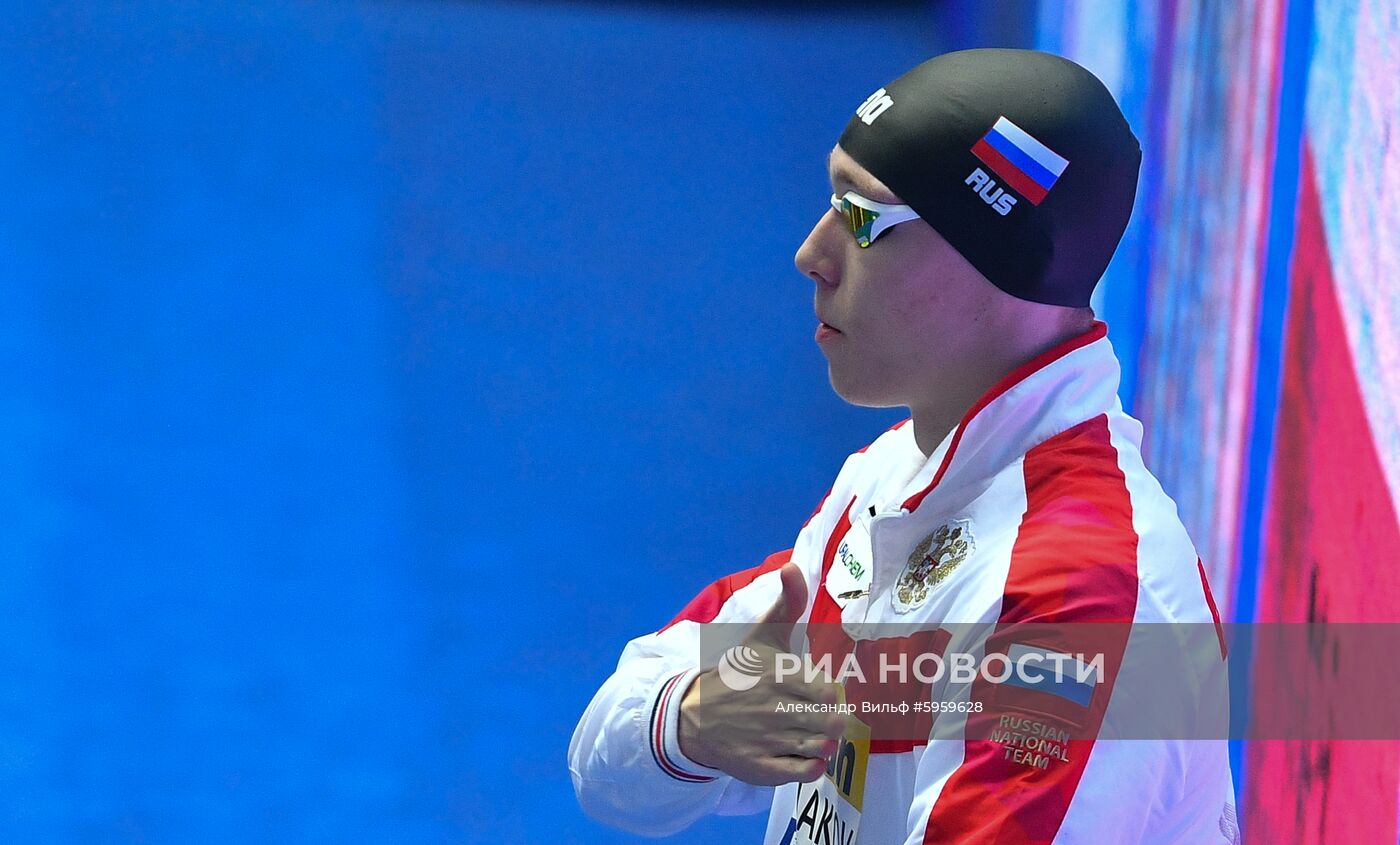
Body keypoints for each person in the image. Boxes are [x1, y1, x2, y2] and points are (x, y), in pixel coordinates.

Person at [568, 47, 1238, 844]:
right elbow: (607, 760)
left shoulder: (1079, 597)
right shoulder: (897, 473)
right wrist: (691, 723)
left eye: (861, 219)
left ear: (1003, 262)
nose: (812, 255)